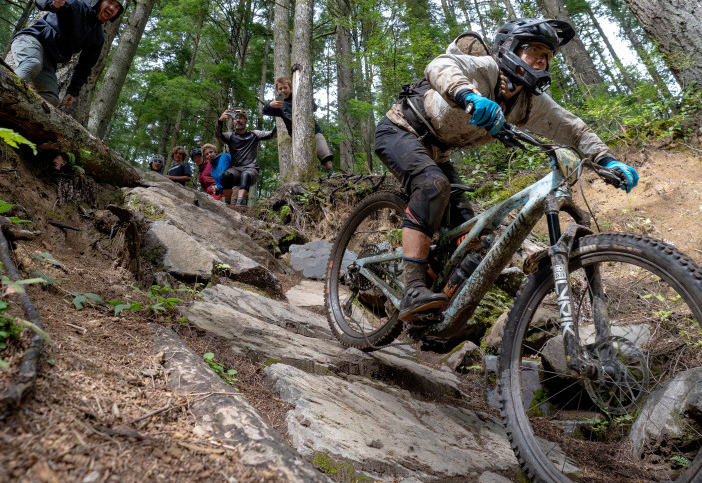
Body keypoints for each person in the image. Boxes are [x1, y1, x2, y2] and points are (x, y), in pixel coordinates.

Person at [375, 18, 640, 322]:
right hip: (400, 130)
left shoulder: (528, 103)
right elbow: (440, 65)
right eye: (533, 50)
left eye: (546, 56)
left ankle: (432, 310)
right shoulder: (485, 68)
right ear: (511, 49)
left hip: (440, 152)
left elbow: (573, 130)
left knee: (474, 239)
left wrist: (606, 160)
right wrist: (468, 94)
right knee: (433, 185)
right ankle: (413, 289)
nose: (540, 60)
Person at [5, 0, 127, 107]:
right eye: (110, 2)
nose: (112, 8)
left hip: (48, 61)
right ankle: (2, 88)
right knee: (32, 64)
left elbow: (84, 67)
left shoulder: (97, 38)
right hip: (31, 40)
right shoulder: (75, 5)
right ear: (99, 0)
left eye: (117, 7)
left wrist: (72, 91)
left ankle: (12, 109)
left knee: (51, 100)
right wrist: (53, 3)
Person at [263, 76, 335, 176]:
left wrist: (307, 98)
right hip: (296, 135)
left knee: (323, 150)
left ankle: (330, 172)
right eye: (280, 88)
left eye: (285, 87)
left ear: (290, 87)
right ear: (277, 90)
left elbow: (314, 108)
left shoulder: (299, 94)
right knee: (303, 158)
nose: (283, 90)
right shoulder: (279, 102)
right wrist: (270, 104)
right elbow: (265, 111)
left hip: (313, 129)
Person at [216, 109, 276, 206]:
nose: (238, 120)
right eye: (235, 118)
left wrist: (279, 115)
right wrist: (220, 121)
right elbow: (218, 136)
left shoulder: (254, 134)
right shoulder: (230, 136)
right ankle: (227, 203)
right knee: (226, 175)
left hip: (251, 169)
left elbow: (272, 134)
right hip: (235, 170)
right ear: (233, 121)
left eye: (241, 118)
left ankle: (239, 204)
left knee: (245, 175)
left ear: (246, 121)